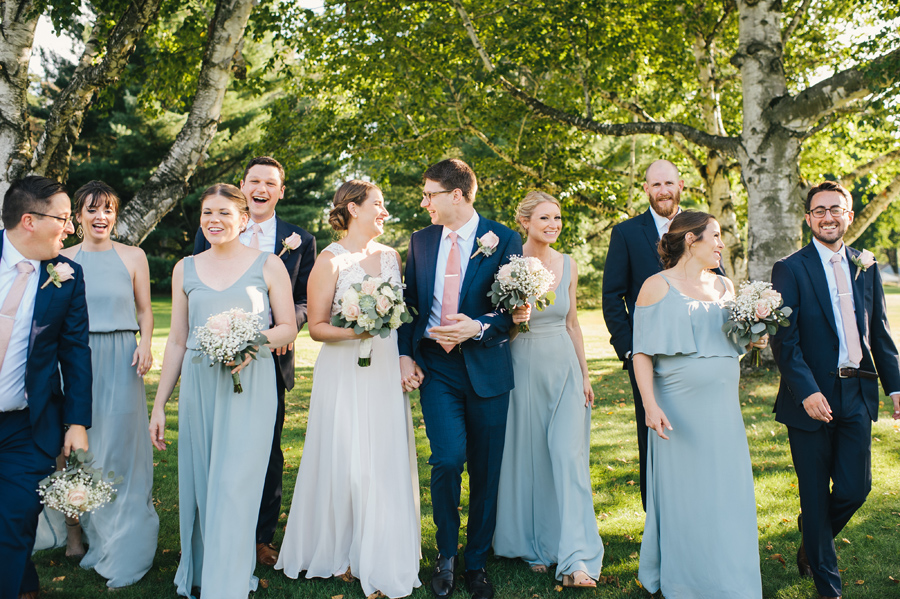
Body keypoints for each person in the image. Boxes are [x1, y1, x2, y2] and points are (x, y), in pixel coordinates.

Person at [149, 183, 297, 599]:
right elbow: (177, 340)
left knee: (237, 482)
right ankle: (201, 571)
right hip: (199, 385)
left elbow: (288, 325)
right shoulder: (185, 268)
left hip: (250, 384)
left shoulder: (268, 265)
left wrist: (251, 342)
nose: (214, 220)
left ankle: (228, 580)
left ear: (243, 219)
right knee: (202, 480)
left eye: (224, 213)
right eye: (207, 213)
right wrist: (159, 405)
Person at [275, 180, 421, 598]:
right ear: (353, 209)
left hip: (383, 371)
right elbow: (318, 328)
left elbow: (403, 319)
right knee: (348, 457)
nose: (385, 211)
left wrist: (401, 356)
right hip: (344, 369)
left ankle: (379, 548)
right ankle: (343, 549)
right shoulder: (330, 261)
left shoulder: (392, 257)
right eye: (378, 204)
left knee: (383, 456)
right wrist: (360, 327)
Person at [398, 159, 522, 599]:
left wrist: (481, 325)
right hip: (438, 368)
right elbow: (408, 307)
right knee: (448, 459)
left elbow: (515, 308)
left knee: (486, 472)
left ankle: (476, 563)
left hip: (486, 366)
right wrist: (404, 355)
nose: (423, 202)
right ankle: (446, 554)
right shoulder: (420, 241)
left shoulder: (504, 239)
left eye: (429, 194)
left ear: (457, 195)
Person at [771, 181, 900, 599]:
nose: (828, 217)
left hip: (857, 394)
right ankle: (829, 587)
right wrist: (806, 391)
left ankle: (811, 533)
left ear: (848, 214)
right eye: (819, 210)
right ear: (809, 218)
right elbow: (784, 341)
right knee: (813, 491)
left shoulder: (866, 265)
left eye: (836, 209)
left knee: (854, 489)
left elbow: (878, 332)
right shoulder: (790, 268)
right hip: (809, 399)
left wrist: (896, 386)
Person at [192, 156, 315, 566]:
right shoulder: (213, 227)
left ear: (281, 190)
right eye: (254, 181)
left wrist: (285, 329)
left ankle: (261, 536)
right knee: (219, 446)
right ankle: (217, 530)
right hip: (217, 354)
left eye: (270, 183)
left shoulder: (300, 239)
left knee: (268, 449)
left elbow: (304, 300)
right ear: (242, 187)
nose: (261, 188)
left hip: (271, 358)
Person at [633, 211, 763, 598]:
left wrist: (755, 338)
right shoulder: (655, 287)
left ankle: (732, 578)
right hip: (677, 411)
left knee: (727, 494)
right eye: (716, 236)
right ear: (691, 240)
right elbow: (641, 353)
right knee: (687, 497)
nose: (721, 243)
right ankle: (687, 581)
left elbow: (735, 343)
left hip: (723, 409)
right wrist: (650, 406)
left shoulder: (726, 285)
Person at [492, 192, 604, 588]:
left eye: (557, 218)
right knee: (529, 456)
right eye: (545, 218)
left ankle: (577, 557)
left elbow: (573, 323)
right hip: (522, 366)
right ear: (525, 221)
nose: (553, 224)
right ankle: (534, 545)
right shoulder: (507, 263)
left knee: (567, 457)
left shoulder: (569, 264)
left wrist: (586, 376)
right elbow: (496, 322)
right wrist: (514, 318)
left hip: (564, 369)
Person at [51, 181, 158, 587]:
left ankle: (124, 534)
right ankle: (76, 529)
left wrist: (145, 344)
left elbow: (146, 309)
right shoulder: (61, 258)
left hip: (121, 358)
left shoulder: (134, 256)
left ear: (115, 215)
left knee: (121, 446)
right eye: (92, 209)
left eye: (108, 209)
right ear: (77, 216)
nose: (101, 217)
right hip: (75, 358)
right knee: (77, 445)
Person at [0, 176, 91, 599]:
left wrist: (76, 421)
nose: (71, 228)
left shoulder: (68, 276)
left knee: (17, 518)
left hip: (26, 424)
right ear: (28, 221)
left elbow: (74, 352)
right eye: (63, 218)